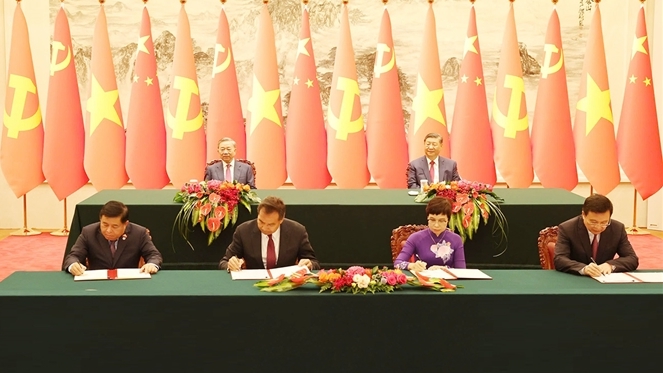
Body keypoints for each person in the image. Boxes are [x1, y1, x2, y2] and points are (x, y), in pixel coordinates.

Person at [219, 196, 320, 271]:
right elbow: (224, 262)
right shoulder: (243, 231)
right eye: (261, 221)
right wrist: (230, 265)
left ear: (281, 220)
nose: (264, 227)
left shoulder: (297, 231)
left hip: (285, 285)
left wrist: (309, 264)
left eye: (270, 224)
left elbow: (314, 262)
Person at [62, 201, 163, 275]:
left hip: (129, 282)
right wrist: (73, 265)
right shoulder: (88, 232)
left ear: (125, 224)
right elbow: (73, 256)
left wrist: (151, 264)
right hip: (96, 284)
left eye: (115, 226)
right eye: (105, 224)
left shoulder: (139, 233)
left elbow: (154, 255)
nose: (108, 230)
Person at [554, 194, 639, 276]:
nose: (598, 227)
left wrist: (610, 265)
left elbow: (632, 258)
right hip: (576, 279)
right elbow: (560, 259)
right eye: (593, 222)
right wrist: (584, 269)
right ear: (583, 215)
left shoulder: (617, 229)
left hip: (604, 280)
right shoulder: (567, 228)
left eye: (604, 222)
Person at [394, 197, 465, 271]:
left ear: (448, 220)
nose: (436, 225)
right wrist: (411, 265)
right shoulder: (415, 238)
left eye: (441, 221)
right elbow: (397, 263)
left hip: (448, 280)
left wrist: (444, 269)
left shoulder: (456, 239)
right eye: (432, 220)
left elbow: (462, 270)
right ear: (427, 218)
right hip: (422, 280)